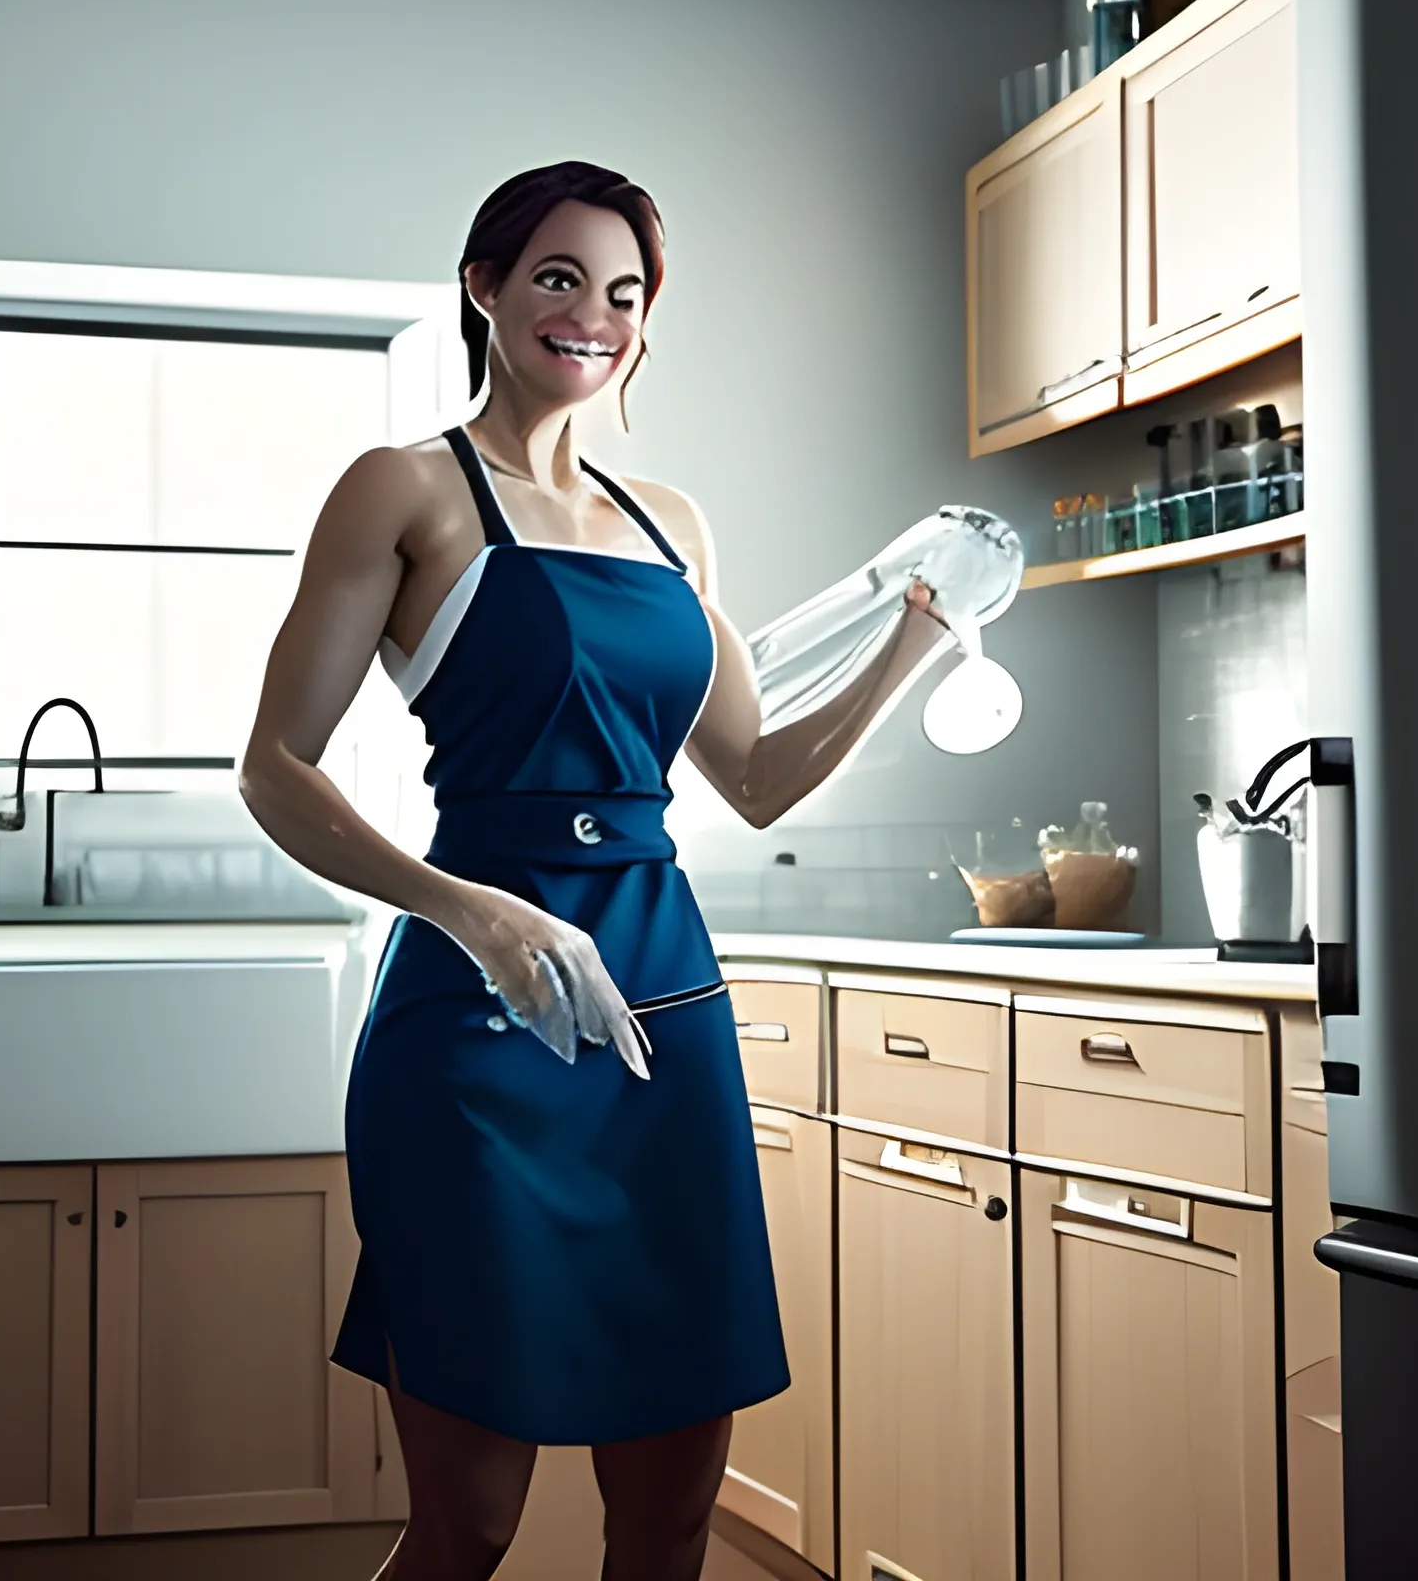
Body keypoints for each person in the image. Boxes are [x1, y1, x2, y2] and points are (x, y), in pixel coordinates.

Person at [240, 160, 948, 1581]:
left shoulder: (669, 523)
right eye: (559, 278)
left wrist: (912, 644)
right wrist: (469, 910)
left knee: (671, 1511)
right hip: (473, 1027)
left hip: (661, 1017)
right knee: (471, 1522)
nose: (594, 315)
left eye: (625, 293)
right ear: (484, 287)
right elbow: (276, 767)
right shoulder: (404, 490)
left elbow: (752, 778)